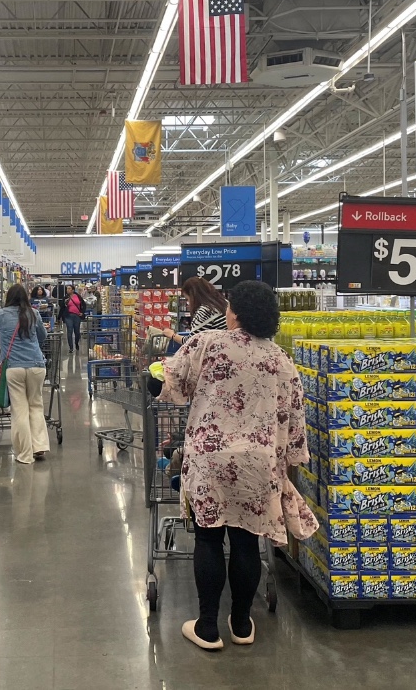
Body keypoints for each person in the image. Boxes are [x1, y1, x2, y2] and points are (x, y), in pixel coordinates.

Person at [147, 280, 318, 651]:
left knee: (208, 538)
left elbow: (167, 381)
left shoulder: (209, 343)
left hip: (209, 460)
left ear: (236, 313)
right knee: (246, 541)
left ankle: (207, 627)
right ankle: (241, 624)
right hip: (257, 464)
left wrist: (153, 378)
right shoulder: (282, 361)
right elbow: (294, 423)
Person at [0, 284, 51, 463]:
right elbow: (43, 337)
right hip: (36, 365)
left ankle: (25, 454)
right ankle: (39, 446)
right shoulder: (34, 313)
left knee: (20, 411)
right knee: (36, 406)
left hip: (14, 366)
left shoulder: (0, 315)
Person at [163, 276, 228, 345]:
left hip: (217, 351)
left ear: (193, 296)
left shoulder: (205, 311)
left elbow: (191, 342)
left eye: (187, 299)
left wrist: (172, 335)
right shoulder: (224, 302)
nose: (188, 303)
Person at [59, 284, 85, 353]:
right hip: (68, 316)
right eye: (67, 288)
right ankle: (71, 347)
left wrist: (82, 312)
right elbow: (62, 307)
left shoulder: (78, 296)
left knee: (77, 332)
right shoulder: (65, 298)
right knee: (69, 331)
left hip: (77, 316)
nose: (67, 290)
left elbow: (83, 304)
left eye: (69, 288)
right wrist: (59, 317)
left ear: (73, 290)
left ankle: (76, 343)